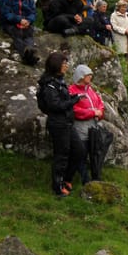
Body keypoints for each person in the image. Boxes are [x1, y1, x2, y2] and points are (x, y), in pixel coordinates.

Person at [37, 52, 84, 196]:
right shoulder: (49, 84)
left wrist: (72, 97)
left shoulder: (59, 81)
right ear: (56, 65)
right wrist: (73, 101)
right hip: (58, 124)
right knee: (61, 155)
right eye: (64, 63)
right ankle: (58, 187)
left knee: (79, 150)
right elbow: (54, 106)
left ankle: (67, 178)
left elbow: (62, 99)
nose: (66, 66)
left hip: (67, 122)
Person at [69, 65, 105, 184]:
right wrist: (92, 112)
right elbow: (74, 110)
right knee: (81, 154)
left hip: (92, 127)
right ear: (81, 76)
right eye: (88, 74)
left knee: (94, 152)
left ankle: (94, 178)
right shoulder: (72, 91)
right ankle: (85, 180)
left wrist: (99, 112)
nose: (91, 76)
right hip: (80, 127)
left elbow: (100, 103)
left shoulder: (89, 89)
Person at [0, 0, 39, 65]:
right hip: (11, 23)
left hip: (25, 23)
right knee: (18, 33)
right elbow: (5, 13)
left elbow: (33, 13)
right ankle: (25, 55)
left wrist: (28, 20)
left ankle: (30, 53)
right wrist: (19, 20)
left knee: (29, 33)